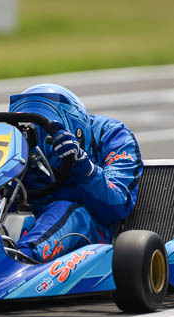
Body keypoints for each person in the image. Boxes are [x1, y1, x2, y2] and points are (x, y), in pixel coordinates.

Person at [8, 84, 143, 262]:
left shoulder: (112, 135)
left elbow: (118, 205)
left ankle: (20, 259)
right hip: (28, 216)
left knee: (66, 210)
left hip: (93, 225)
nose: (36, 138)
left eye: (43, 133)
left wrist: (84, 167)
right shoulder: (15, 143)